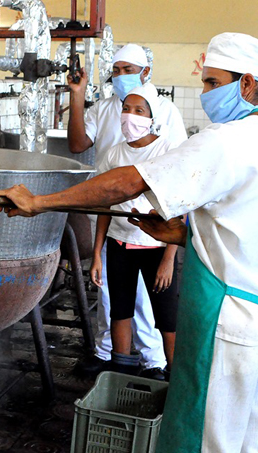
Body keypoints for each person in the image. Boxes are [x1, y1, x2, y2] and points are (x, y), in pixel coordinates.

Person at [0, 32, 258, 452]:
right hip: (256, 318)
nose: (206, 93)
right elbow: (251, 229)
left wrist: (40, 201)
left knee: (204, 438)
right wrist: (184, 234)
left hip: (224, 323)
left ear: (246, 84)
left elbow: (130, 181)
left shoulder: (231, 138)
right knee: (244, 438)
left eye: (212, 83)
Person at [68, 43, 187, 379]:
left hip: (155, 238)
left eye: (128, 70)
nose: (121, 77)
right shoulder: (109, 129)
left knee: (156, 309)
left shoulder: (166, 123)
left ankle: (156, 364)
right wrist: (77, 96)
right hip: (118, 234)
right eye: (116, 71)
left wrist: (169, 254)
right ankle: (115, 362)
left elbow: (179, 194)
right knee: (115, 302)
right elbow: (79, 147)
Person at [90, 82, 179, 377]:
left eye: (139, 110)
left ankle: (174, 379)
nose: (131, 116)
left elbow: (180, 209)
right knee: (120, 311)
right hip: (119, 245)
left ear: (152, 116)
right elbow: (105, 207)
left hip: (156, 249)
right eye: (126, 109)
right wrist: (97, 255)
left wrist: (169, 259)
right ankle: (120, 375)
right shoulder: (114, 155)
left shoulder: (167, 150)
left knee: (167, 318)